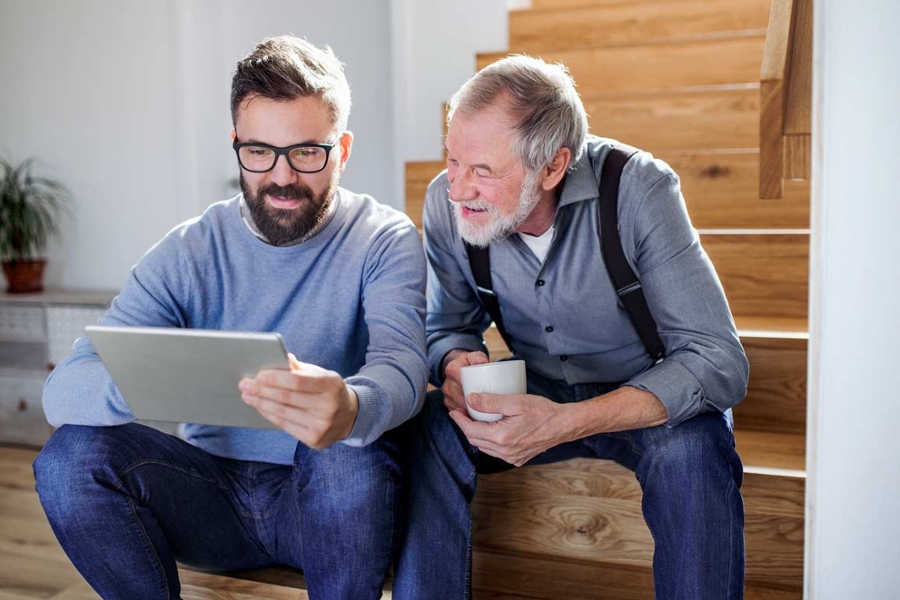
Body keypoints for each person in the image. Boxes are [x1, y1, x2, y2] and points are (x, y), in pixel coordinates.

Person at [33, 36, 427, 600]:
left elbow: (403, 366)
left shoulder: (383, 238)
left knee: (350, 445)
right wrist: (157, 379)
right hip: (206, 495)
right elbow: (61, 392)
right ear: (237, 145)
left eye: (306, 153)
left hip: (325, 500)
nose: (282, 177)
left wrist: (350, 405)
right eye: (260, 151)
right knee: (69, 460)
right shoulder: (190, 249)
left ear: (341, 150)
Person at [393, 55, 749, 600]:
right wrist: (454, 360)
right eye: (452, 160)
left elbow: (718, 363)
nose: (458, 189)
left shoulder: (638, 190)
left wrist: (568, 422)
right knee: (427, 426)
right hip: (536, 388)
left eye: (483, 171)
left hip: (645, 394)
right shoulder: (448, 204)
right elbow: (446, 325)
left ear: (553, 167)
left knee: (693, 452)